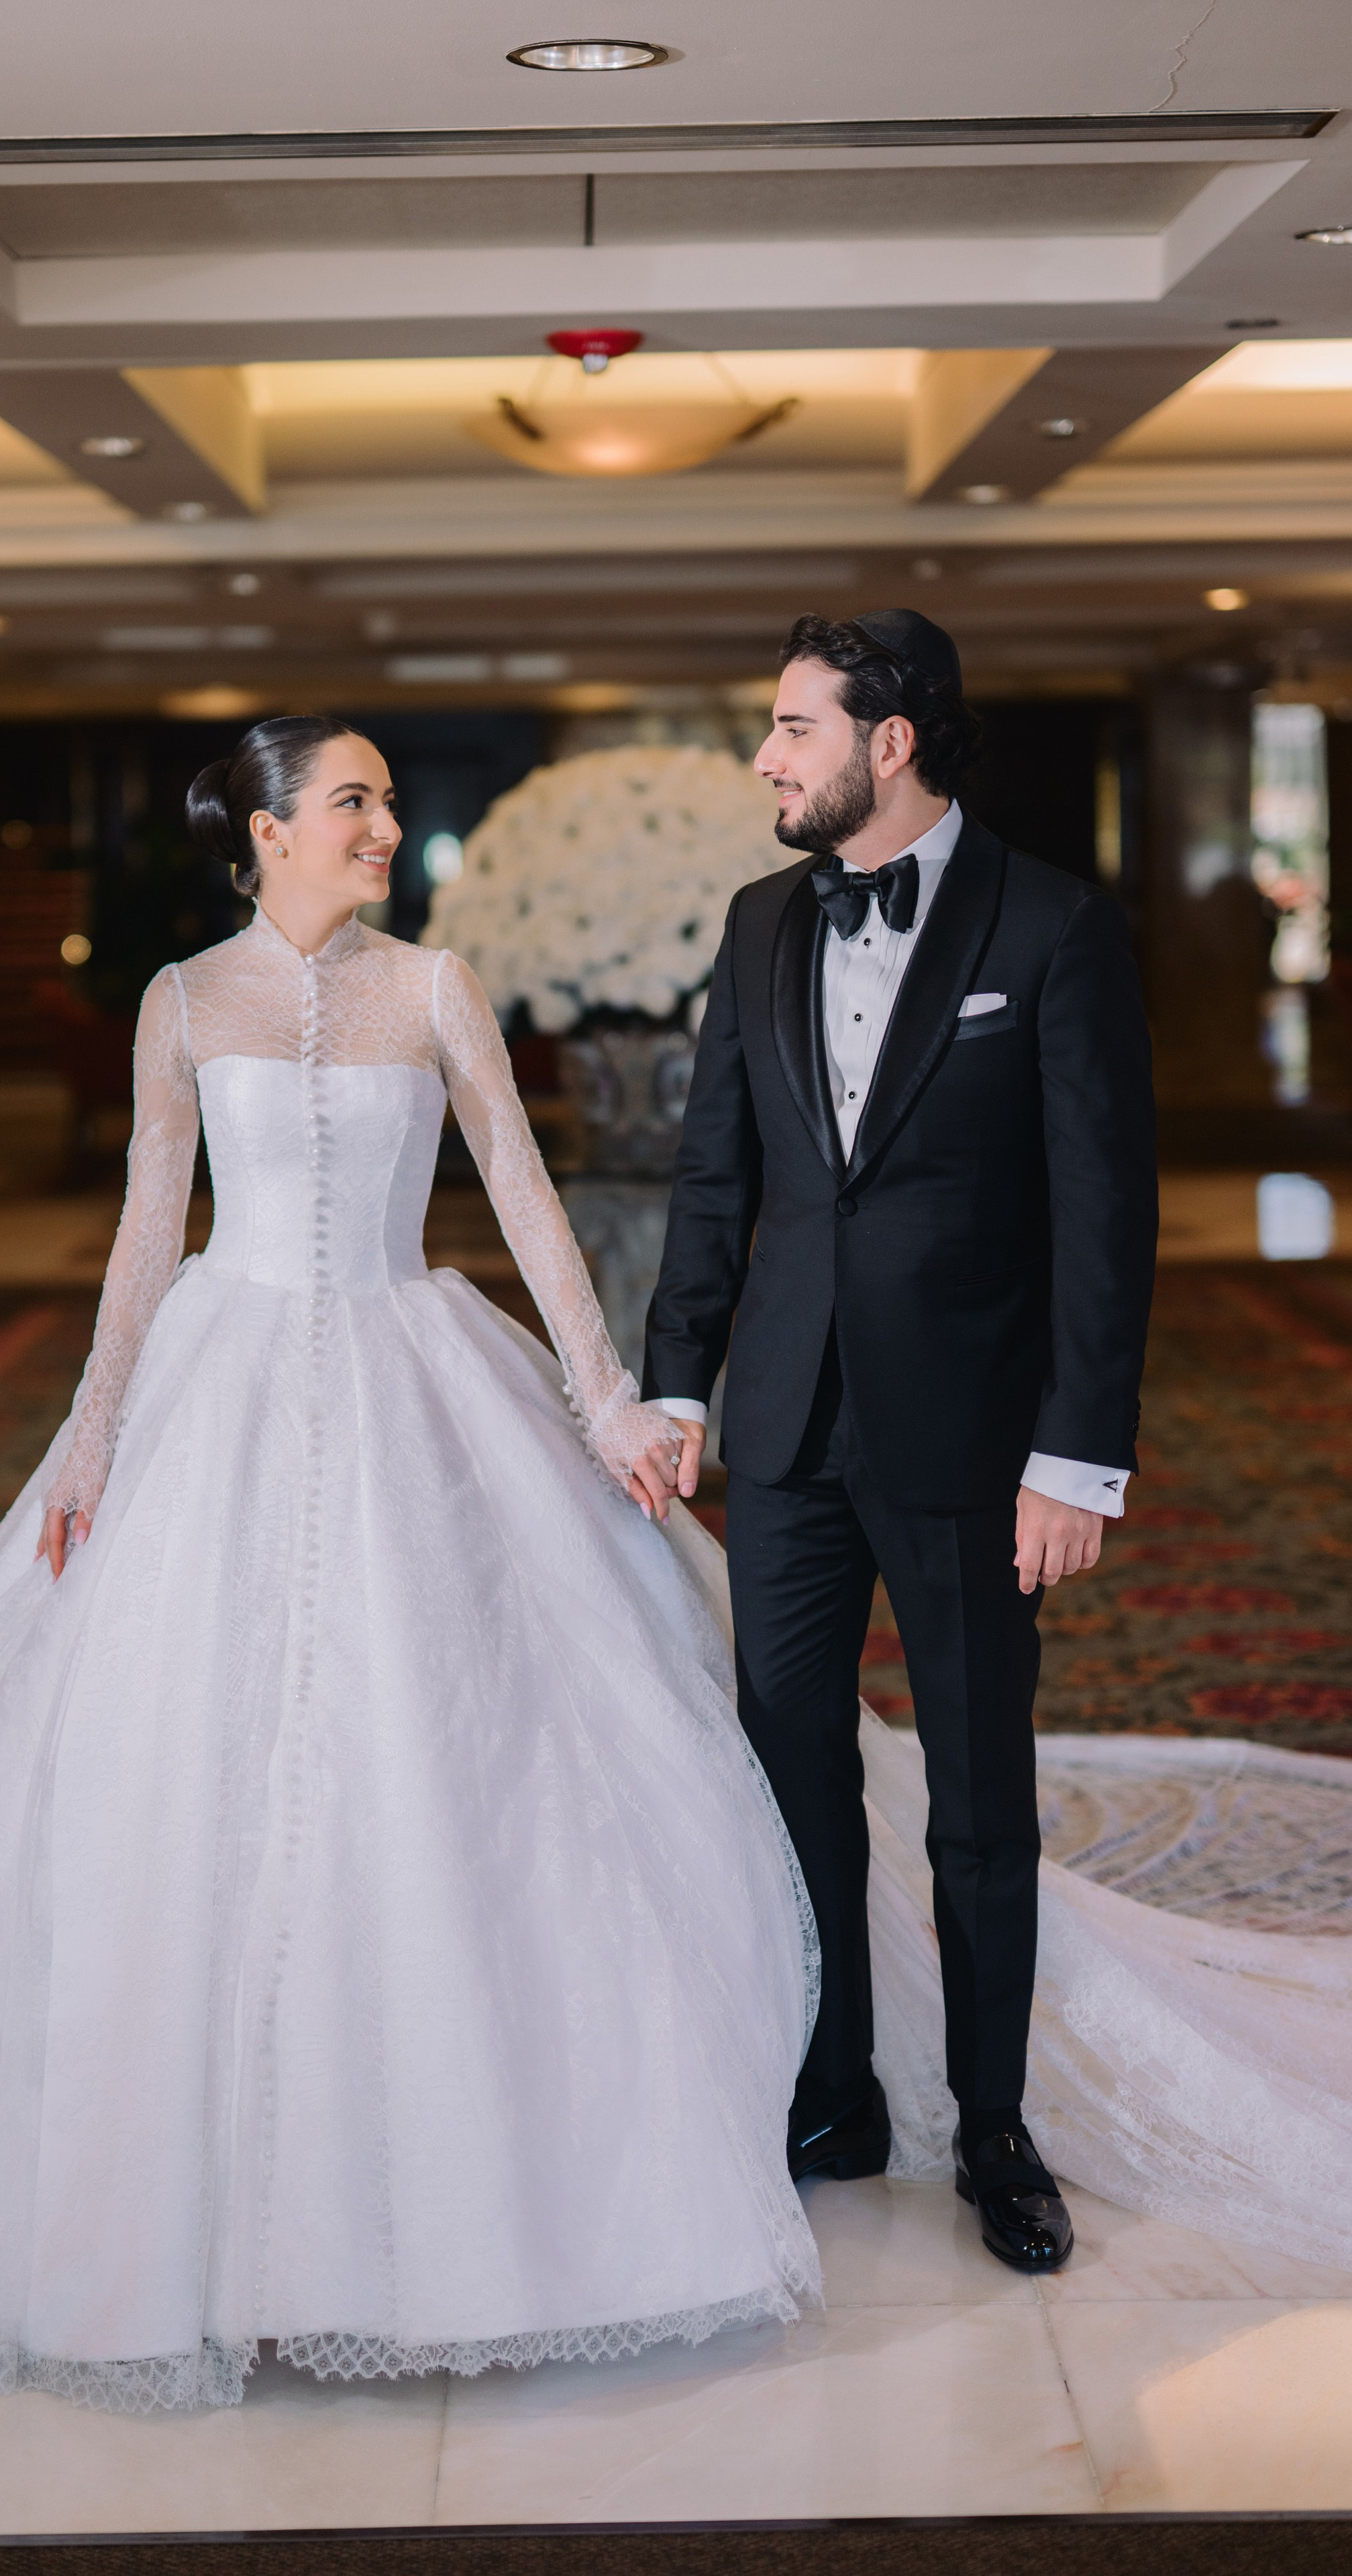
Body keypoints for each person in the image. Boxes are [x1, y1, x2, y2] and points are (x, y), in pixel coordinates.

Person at [0, 717, 825, 2411]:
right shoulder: (183, 1002)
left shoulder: (438, 987)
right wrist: (94, 1427)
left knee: (441, 1747)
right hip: (224, 1376)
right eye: (353, 803)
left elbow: (527, 1200)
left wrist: (607, 1397)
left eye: (387, 804)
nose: (383, 829)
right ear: (266, 831)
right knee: (173, 1768)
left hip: (417, 1361)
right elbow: (146, 1226)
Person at [645, 611, 1158, 2273]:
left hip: (971, 1440)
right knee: (783, 1769)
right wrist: (675, 1385)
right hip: (784, 1432)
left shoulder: (1055, 927)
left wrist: (1074, 1458)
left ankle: (993, 2126)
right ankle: (833, 2087)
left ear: (890, 742)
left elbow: (1103, 1215)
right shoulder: (755, 923)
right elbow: (715, 1178)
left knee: (972, 1803)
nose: (765, 757)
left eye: (793, 727)